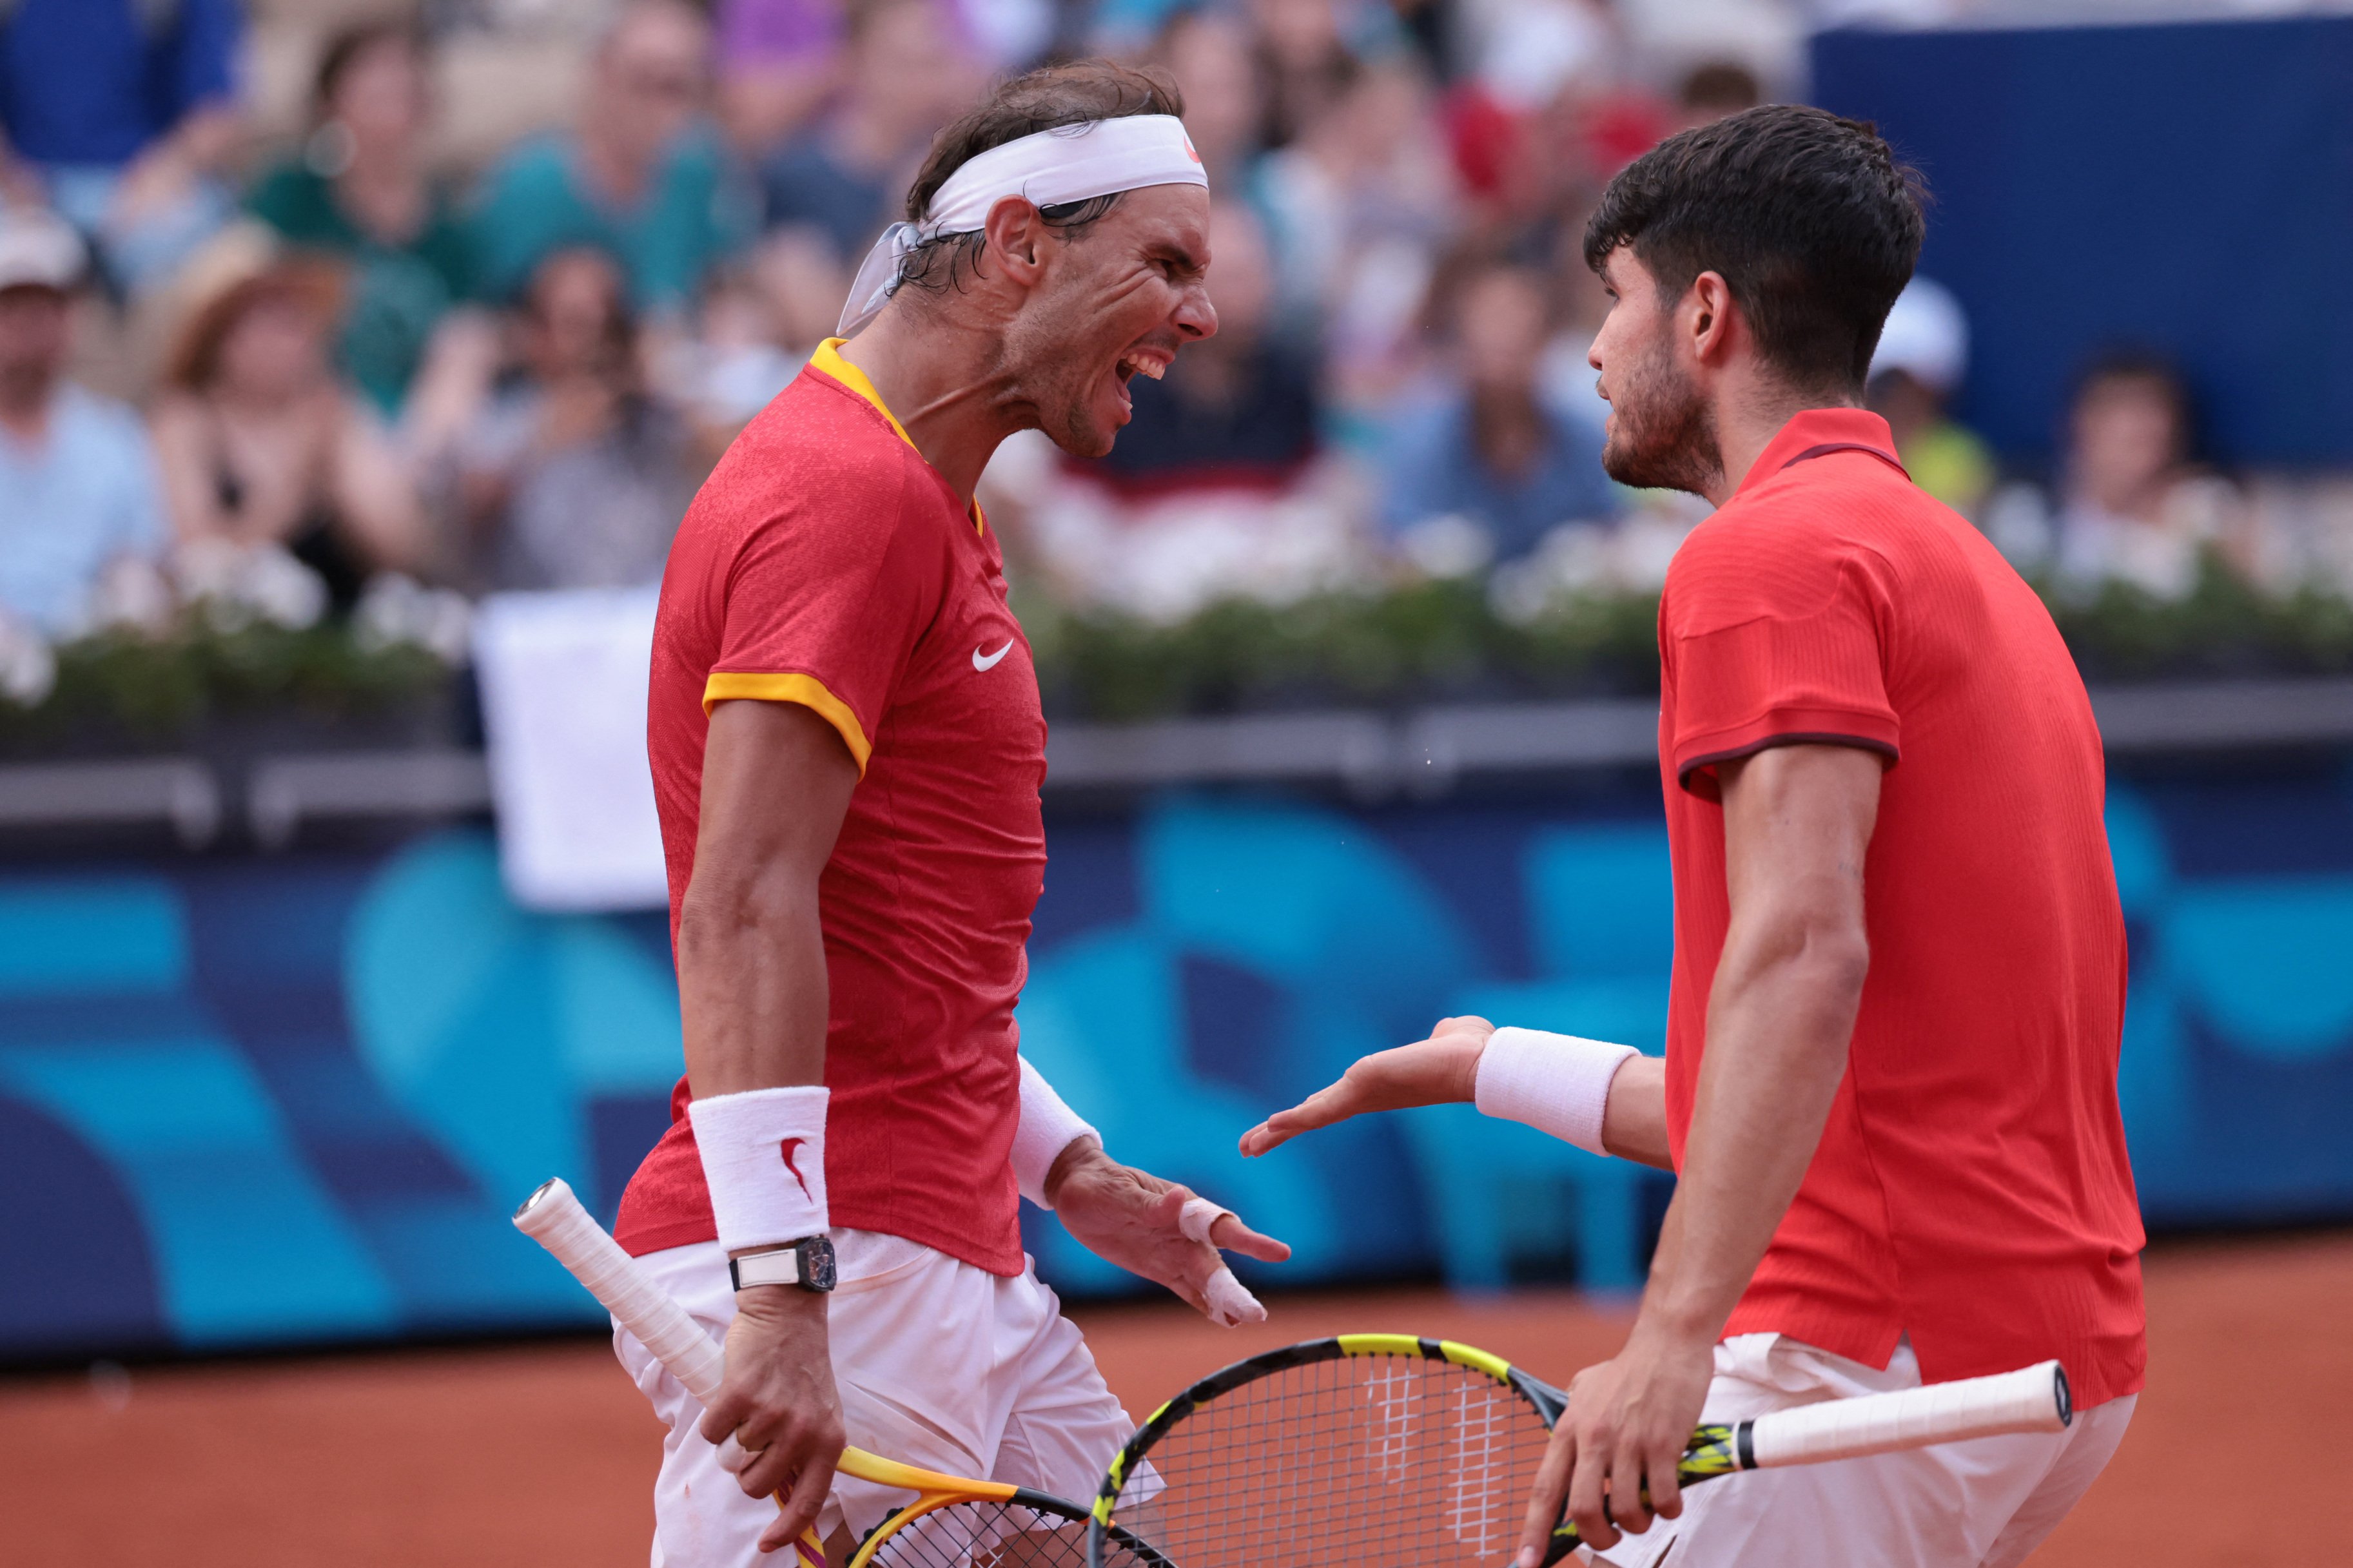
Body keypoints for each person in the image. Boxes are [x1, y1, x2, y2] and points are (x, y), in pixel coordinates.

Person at [1243, 104, 2144, 1568]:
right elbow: (1858, 1088)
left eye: (1613, 303)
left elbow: (1801, 953)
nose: (1592, 351)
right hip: (2020, 1348)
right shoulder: (1954, 563)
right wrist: (1490, 1064)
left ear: (1705, 314)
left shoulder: (1768, 555)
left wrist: (1671, 1338)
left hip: (1861, 1346)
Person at [610, 61, 1290, 1565]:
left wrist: (1064, 1169)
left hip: (925, 1229)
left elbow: (887, 930)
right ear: (1021, 251)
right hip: (847, 1256)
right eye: (1164, 264)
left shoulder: (917, 494)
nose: (1203, 314)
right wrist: (785, 1296)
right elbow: (741, 901)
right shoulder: (846, 496)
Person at [150, 258, 425, 610]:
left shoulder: (336, 417)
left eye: (294, 325)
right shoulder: (184, 421)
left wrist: (339, 469)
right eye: (263, 324)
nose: (284, 341)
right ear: (219, 339)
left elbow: (403, 556)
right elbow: (198, 560)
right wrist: (297, 486)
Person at [246, 22, 480, 418]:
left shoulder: (452, 232)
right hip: (311, 407)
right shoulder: (290, 198)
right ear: (329, 105)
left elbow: (466, 339)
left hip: (419, 422)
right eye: (373, 92)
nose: (390, 106)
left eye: (402, 90)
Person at [470, 0, 754, 320]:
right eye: (648, 83)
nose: (664, 109)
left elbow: (728, 283)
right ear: (600, 73)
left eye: (681, 88)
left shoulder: (698, 170)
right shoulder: (529, 186)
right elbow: (491, 320)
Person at [456, 246, 694, 592]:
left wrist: (665, 387)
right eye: (576, 323)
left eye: (610, 322)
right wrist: (545, 441)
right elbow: (463, 523)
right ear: (535, 335)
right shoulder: (504, 418)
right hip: (537, 620)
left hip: (640, 617)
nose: (595, 341)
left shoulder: (656, 416)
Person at [1383, 258, 1619, 566]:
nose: (1505, 341)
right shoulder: (1421, 442)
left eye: (1520, 330)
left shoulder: (1583, 440)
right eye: (1491, 329)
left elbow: (1610, 531)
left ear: (1545, 341)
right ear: (1462, 345)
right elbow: (1398, 546)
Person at [0, 211, 168, 638]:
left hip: (92, 666)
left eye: (47, 310)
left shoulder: (114, 434)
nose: (31, 327)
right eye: (14, 309)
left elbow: (145, 554)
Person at [0, 0, 243, 292]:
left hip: (143, 184)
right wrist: (12, 178)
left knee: (195, 273)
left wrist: (161, 176)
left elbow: (216, 109)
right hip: (26, 184)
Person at [758, 0, 979, 267]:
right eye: (902, 64)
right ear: (853, 61)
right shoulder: (795, 177)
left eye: (934, 63)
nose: (921, 82)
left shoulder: (958, 166)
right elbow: (830, 305)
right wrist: (907, 208)